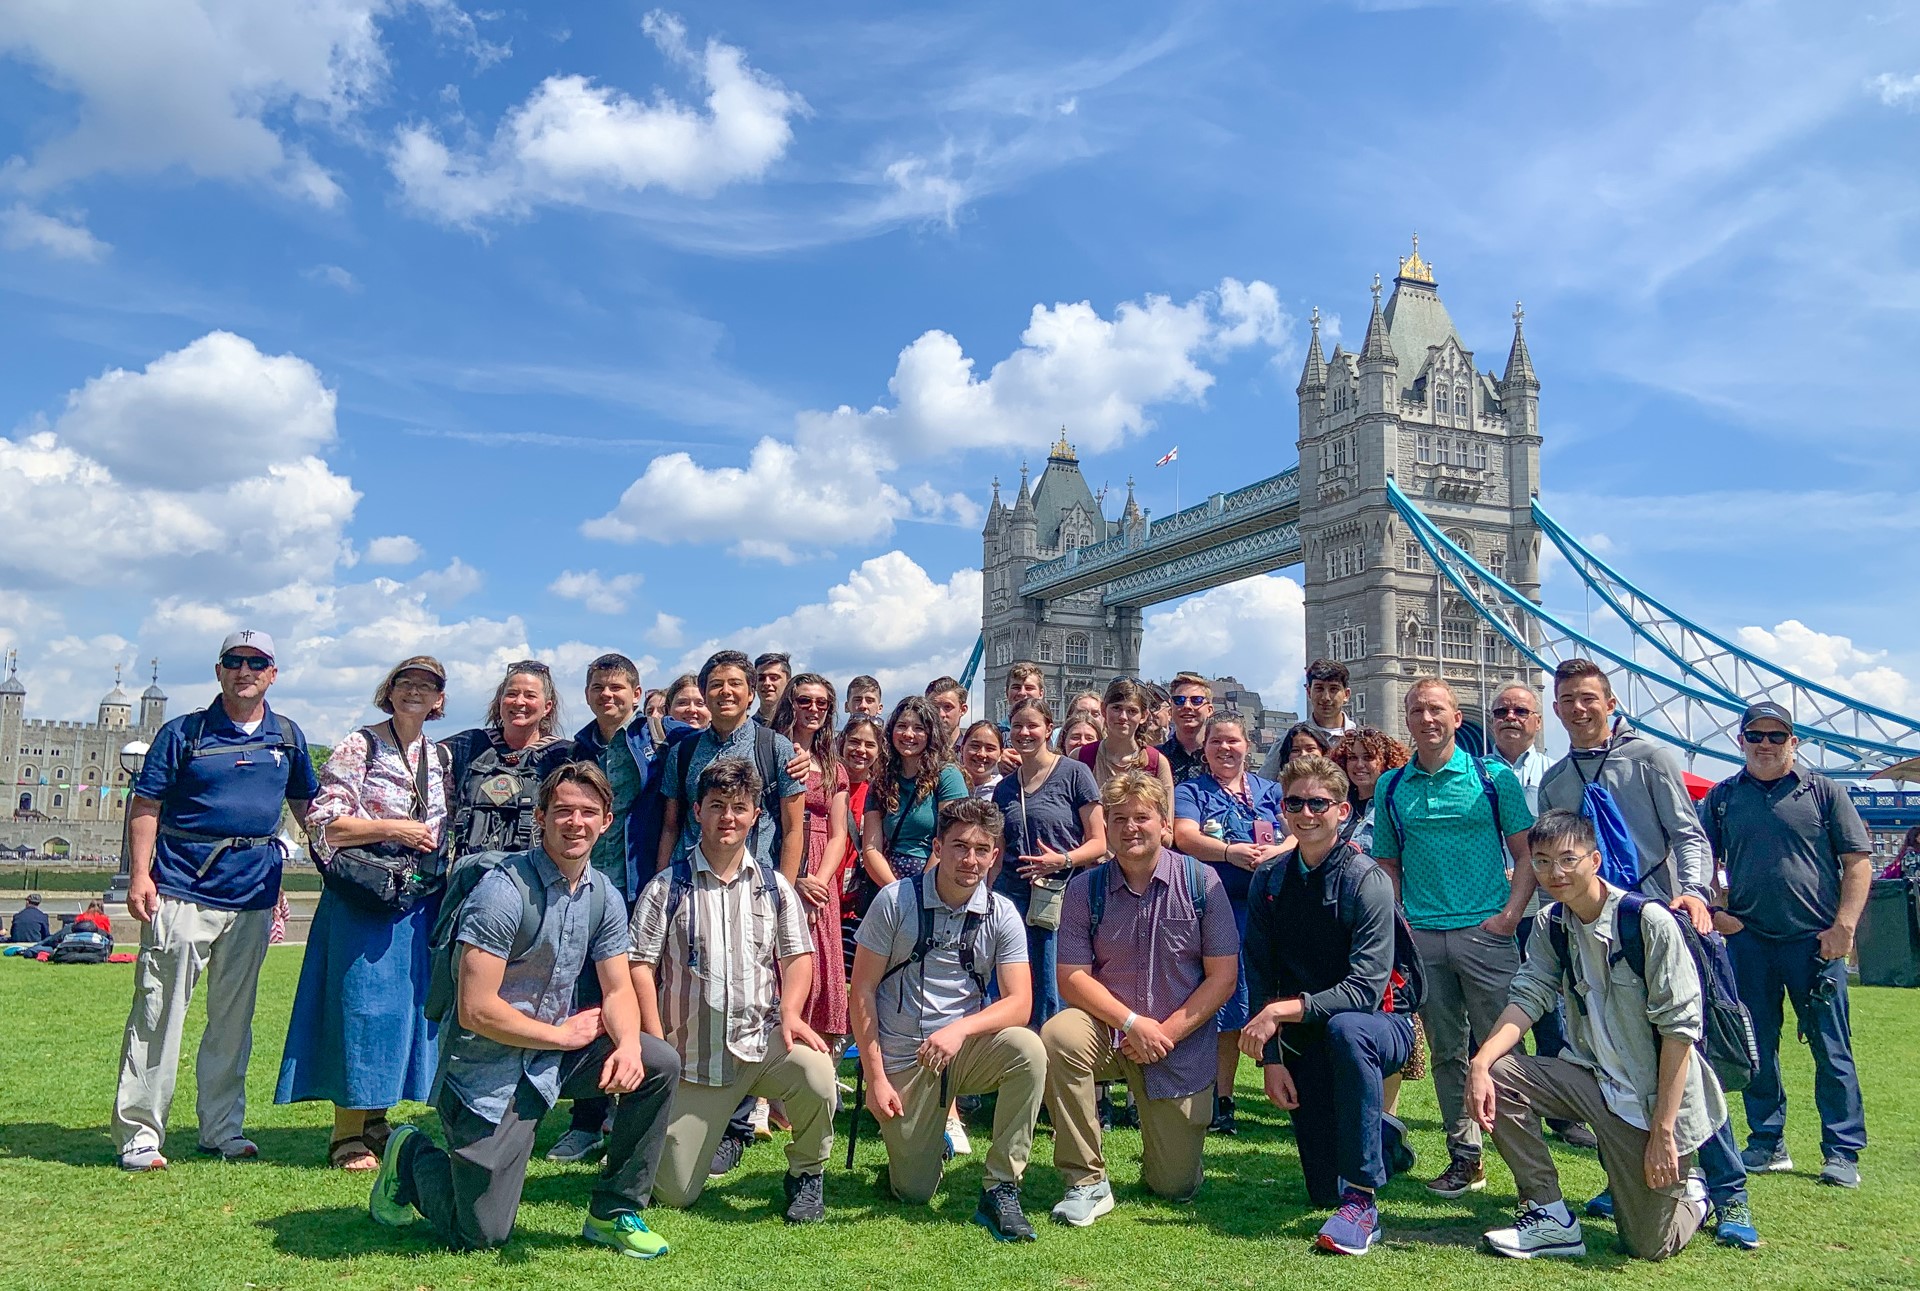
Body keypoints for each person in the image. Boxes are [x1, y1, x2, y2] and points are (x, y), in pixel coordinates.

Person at [367, 762, 678, 1258]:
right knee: (482, 1235)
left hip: (551, 1059)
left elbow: (618, 989)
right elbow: (475, 1010)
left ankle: (614, 1211)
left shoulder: (604, 895)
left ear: (607, 822)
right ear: (540, 817)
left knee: (658, 1061)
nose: (575, 823)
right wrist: (562, 1037)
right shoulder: (501, 893)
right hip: (487, 1071)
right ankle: (409, 1157)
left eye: (588, 813)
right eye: (563, 812)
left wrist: (626, 1048)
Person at [1538, 661, 1753, 1218]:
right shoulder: (1557, 780)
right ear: (1556, 709)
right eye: (1567, 700)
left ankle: (1730, 1193)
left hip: (1659, 922)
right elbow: (1557, 859)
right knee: (1612, 1063)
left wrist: (1698, 893)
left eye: (1589, 698)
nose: (1579, 709)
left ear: (1611, 704)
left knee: (1686, 1059)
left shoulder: (1651, 759)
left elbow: (1688, 832)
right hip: (1595, 934)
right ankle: (1629, 1180)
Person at [1466, 809, 1722, 1262]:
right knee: (1501, 1072)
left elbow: (1680, 1034)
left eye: (1568, 859)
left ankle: (1695, 1195)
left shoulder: (1648, 923)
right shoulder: (1551, 925)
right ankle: (1549, 1215)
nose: (1554, 873)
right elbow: (1528, 996)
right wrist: (1481, 1062)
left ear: (1595, 860)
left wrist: (1664, 1131)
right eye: (1542, 862)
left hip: (1652, 1103)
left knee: (1646, 1246)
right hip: (1591, 1081)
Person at [113, 629, 320, 1172]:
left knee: (234, 1018)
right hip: (183, 886)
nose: (245, 670)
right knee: (160, 1010)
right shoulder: (184, 733)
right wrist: (140, 874)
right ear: (219, 670)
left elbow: (307, 808)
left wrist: (335, 868)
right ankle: (139, 1130)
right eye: (235, 661)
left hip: (252, 892)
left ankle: (222, 1127)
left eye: (257, 662)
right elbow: (146, 804)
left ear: (273, 673)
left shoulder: (289, 738)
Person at [629, 757, 836, 1221]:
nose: (728, 817)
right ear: (697, 811)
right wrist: (655, 1039)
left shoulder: (774, 887)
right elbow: (639, 966)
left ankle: (807, 1174)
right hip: (693, 1061)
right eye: (717, 806)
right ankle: (702, 1132)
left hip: (761, 1045)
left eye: (739, 808)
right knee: (675, 1194)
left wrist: (792, 1013)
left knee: (819, 1076)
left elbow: (798, 956)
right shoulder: (666, 887)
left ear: (755, 815)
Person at [277, 656, 451, 1172]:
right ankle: (345, 1134)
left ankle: (376, 1119)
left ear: (440, 699)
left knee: (399, 1012)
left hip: (413, 896)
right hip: (364, 895)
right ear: (390, 691)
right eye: (407, 683)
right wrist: (396, 829)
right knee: (360, 1009)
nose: (416, 692)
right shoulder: (362, 744)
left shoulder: (438, 754)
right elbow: (323, 821)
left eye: (428, 686)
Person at [1043, 771, 1239, 1226]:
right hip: (1109, 1032)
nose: (1131, 827)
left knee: (1174, 1186)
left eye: (1142, 817)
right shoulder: (1083, 889)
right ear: (1106, 827)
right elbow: (1071, 977)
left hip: (1178, 1045)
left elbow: (1223, 977)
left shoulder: (1202, 882)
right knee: (1057, 1035)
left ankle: (1170, 1156)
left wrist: (1163, 1032)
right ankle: (1086, 1180)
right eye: (1119, 819)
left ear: (1164, 824)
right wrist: (1133, 1024)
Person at [1241, 755, 1417, 1255]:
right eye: (1294, 802)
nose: (1305, 813)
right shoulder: (1269, 880)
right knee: (1320, 1190)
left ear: (1342, 811)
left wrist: (1279, 1012)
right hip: (1304, 1032)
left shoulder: (1367, 879)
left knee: (1348, 1030)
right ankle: (1380, 1139)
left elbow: (1364, 990)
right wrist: (1271, 1061)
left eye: (1318, 803)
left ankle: (1363, 1201)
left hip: (1380, 1025)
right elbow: (1260, 974)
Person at [850, 797, 1046, 1240]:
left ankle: (1001, 1187)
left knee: (1029, 1049)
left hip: (964, 1049)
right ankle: (924, 1145)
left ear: (995, 856)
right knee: (913, 1192)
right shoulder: (894, 901)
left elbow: (1020, 1004)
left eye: (982, 849)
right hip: (906, 1060)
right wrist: (876, 1078)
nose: (970, 859)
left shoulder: (1002, 913)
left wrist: (959, 1029)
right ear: (938, 846)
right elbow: (861, 990)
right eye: (959, 846)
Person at [1370, 677, 1534, 1199]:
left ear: (1457, 718)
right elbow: (1387, 863)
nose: (1427, 718)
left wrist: (1509, 917)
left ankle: (1526, 1162)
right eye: (1416, 710)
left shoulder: (1494, 778)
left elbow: (1527, 855)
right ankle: (1465, 1156)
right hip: (1424, 939)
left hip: (1487, 933)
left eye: (1436, 709)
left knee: (1505, 1052)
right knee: (1445, 1053)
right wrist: (1401, 919)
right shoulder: (1391, 786)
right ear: (1408, 720)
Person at [1701, 701, 1872, 1190]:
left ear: (1794, 742)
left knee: (1832, 1048)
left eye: (1778, 736)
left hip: (1815, 941)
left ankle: (1841, 1151)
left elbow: (1857, 861)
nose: (1766, 745)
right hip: (1749, 940)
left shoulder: (1824, 792)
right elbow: (1697, 857)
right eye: (1756, 735)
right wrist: (1715, 914)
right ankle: (1766, 1141)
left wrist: (1845, 927)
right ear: (1741, 742)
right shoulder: (1722, 797)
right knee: (1756, 1048)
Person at [550, 653, 697, 1165]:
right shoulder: (576, 748)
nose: (607, 695)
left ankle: (646, 1105)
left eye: (617, 687)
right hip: (586, 892)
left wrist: (795, 755)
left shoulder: (665, 737)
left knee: (648, 998)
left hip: (644, 890)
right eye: (598, 687)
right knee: (587, 997)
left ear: (637, 693)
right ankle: (586, 1120)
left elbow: (727, 738)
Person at [1489, 681, 1599, 1154]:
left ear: (1539, 721)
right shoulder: (1479, 774)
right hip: (1491, 911)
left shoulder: (1555, 777)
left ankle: (1562, 1111)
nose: (1510, 717)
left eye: (1521, 710)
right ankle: (1502, 1100)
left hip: (1547, 911)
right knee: (1497, 1007)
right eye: (1501, 711)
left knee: (1555, 1011)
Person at [1172, 714, 1292, 1135]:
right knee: (1225, 1007)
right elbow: (1184, 836)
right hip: (1218, 911)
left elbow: (1300, 827)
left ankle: (1293, 1094)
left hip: (1275, 914)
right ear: (1204, 749)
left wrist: (1278, 852)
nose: (1225, 748)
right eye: (1216, 741)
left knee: (1280, 999)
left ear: (1248, 745)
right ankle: (1222, 1099)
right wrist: (1229, 852)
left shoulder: (1271, 791)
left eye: (1233, 741)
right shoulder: (1191, 791)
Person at [993, 698, 1106, 1030]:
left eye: (1032, 725)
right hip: (1012, 899)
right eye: (1017, 726)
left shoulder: (1075, 774)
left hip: (1061, 899)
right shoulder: (1004, 788)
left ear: (1049, 729)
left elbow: (1099, 842)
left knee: (1054, 985)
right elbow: (998, 854)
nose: (1024, 732)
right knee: (1013, 984)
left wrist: (1062, 860)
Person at [772, 674, 852, 1049]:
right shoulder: (773, 752)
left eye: (822, 703)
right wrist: (796, 879)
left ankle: (816, 1058)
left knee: (820, 966)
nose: (814, 709)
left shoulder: (833, 765)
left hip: (823, 874)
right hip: (784, 862)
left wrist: (819, 880)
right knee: (780, 964)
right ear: (791, 703)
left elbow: (839, 833)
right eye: (805, 701)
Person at [443, 662, 574, 861]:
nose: (519, 702)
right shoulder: (468, 746)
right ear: (500, 701)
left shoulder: (565, 755)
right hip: (468, 874)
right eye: (512, 694)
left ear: (547, 707)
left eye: (530, 695)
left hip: (533, 875)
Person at [861, 696, 968, 887]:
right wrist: (894, 891)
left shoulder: (948, 776)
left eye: (918, 728)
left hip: (935, 880)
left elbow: (954, 839)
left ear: (931, 734)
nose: (908, 734)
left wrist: (920, 890)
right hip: (888, 882)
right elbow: (871, 848)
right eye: (901, 726)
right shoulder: (880, 782)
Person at [1074, 678, 1175, 809]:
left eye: (1132, 711)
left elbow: (1166, 823)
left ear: (1143, 716)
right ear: (1104, 710)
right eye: (1116, 708)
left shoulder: (1156, 763)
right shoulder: (1081, 758)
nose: (1123, 717)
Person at [1261, 659, 1357, 779]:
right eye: (1319, 688)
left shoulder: (1359, 739)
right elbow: (1265, 785)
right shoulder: (1288, 740)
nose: (1326, 697)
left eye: (1333, 689)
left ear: (1346, 695)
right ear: (1308, 692)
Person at [1330, 727, 1409, 856]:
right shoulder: (1336, 804)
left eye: (1368, 757)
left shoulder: (1396, 808)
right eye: (1352, 758)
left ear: (1386, 762)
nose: (1359, 764)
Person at [1157, 673, 1213, 786]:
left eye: (1196, 700)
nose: (1187, 706)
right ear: (1170, 710)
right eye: (1179, 700)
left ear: (1210, 710)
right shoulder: (1156, 757)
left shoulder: (1219, 757)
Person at [959, 720, 1006, 799]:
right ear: (962, 748)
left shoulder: (1006, 790)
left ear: (1000, 754)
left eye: (990, 749)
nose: (981, 754)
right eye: (975, 746)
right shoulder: (948, 784)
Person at [926, 676, 970, 753]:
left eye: (947, 707)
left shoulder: (971, 754)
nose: (940, 714)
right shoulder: (916, 752)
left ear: (962, 710)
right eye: (934, 707)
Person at [753, 652, 792, 725]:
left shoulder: (799, 727)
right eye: (761, 678)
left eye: (774, 678)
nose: (767, 683)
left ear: (789, 683)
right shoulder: (745, 728)